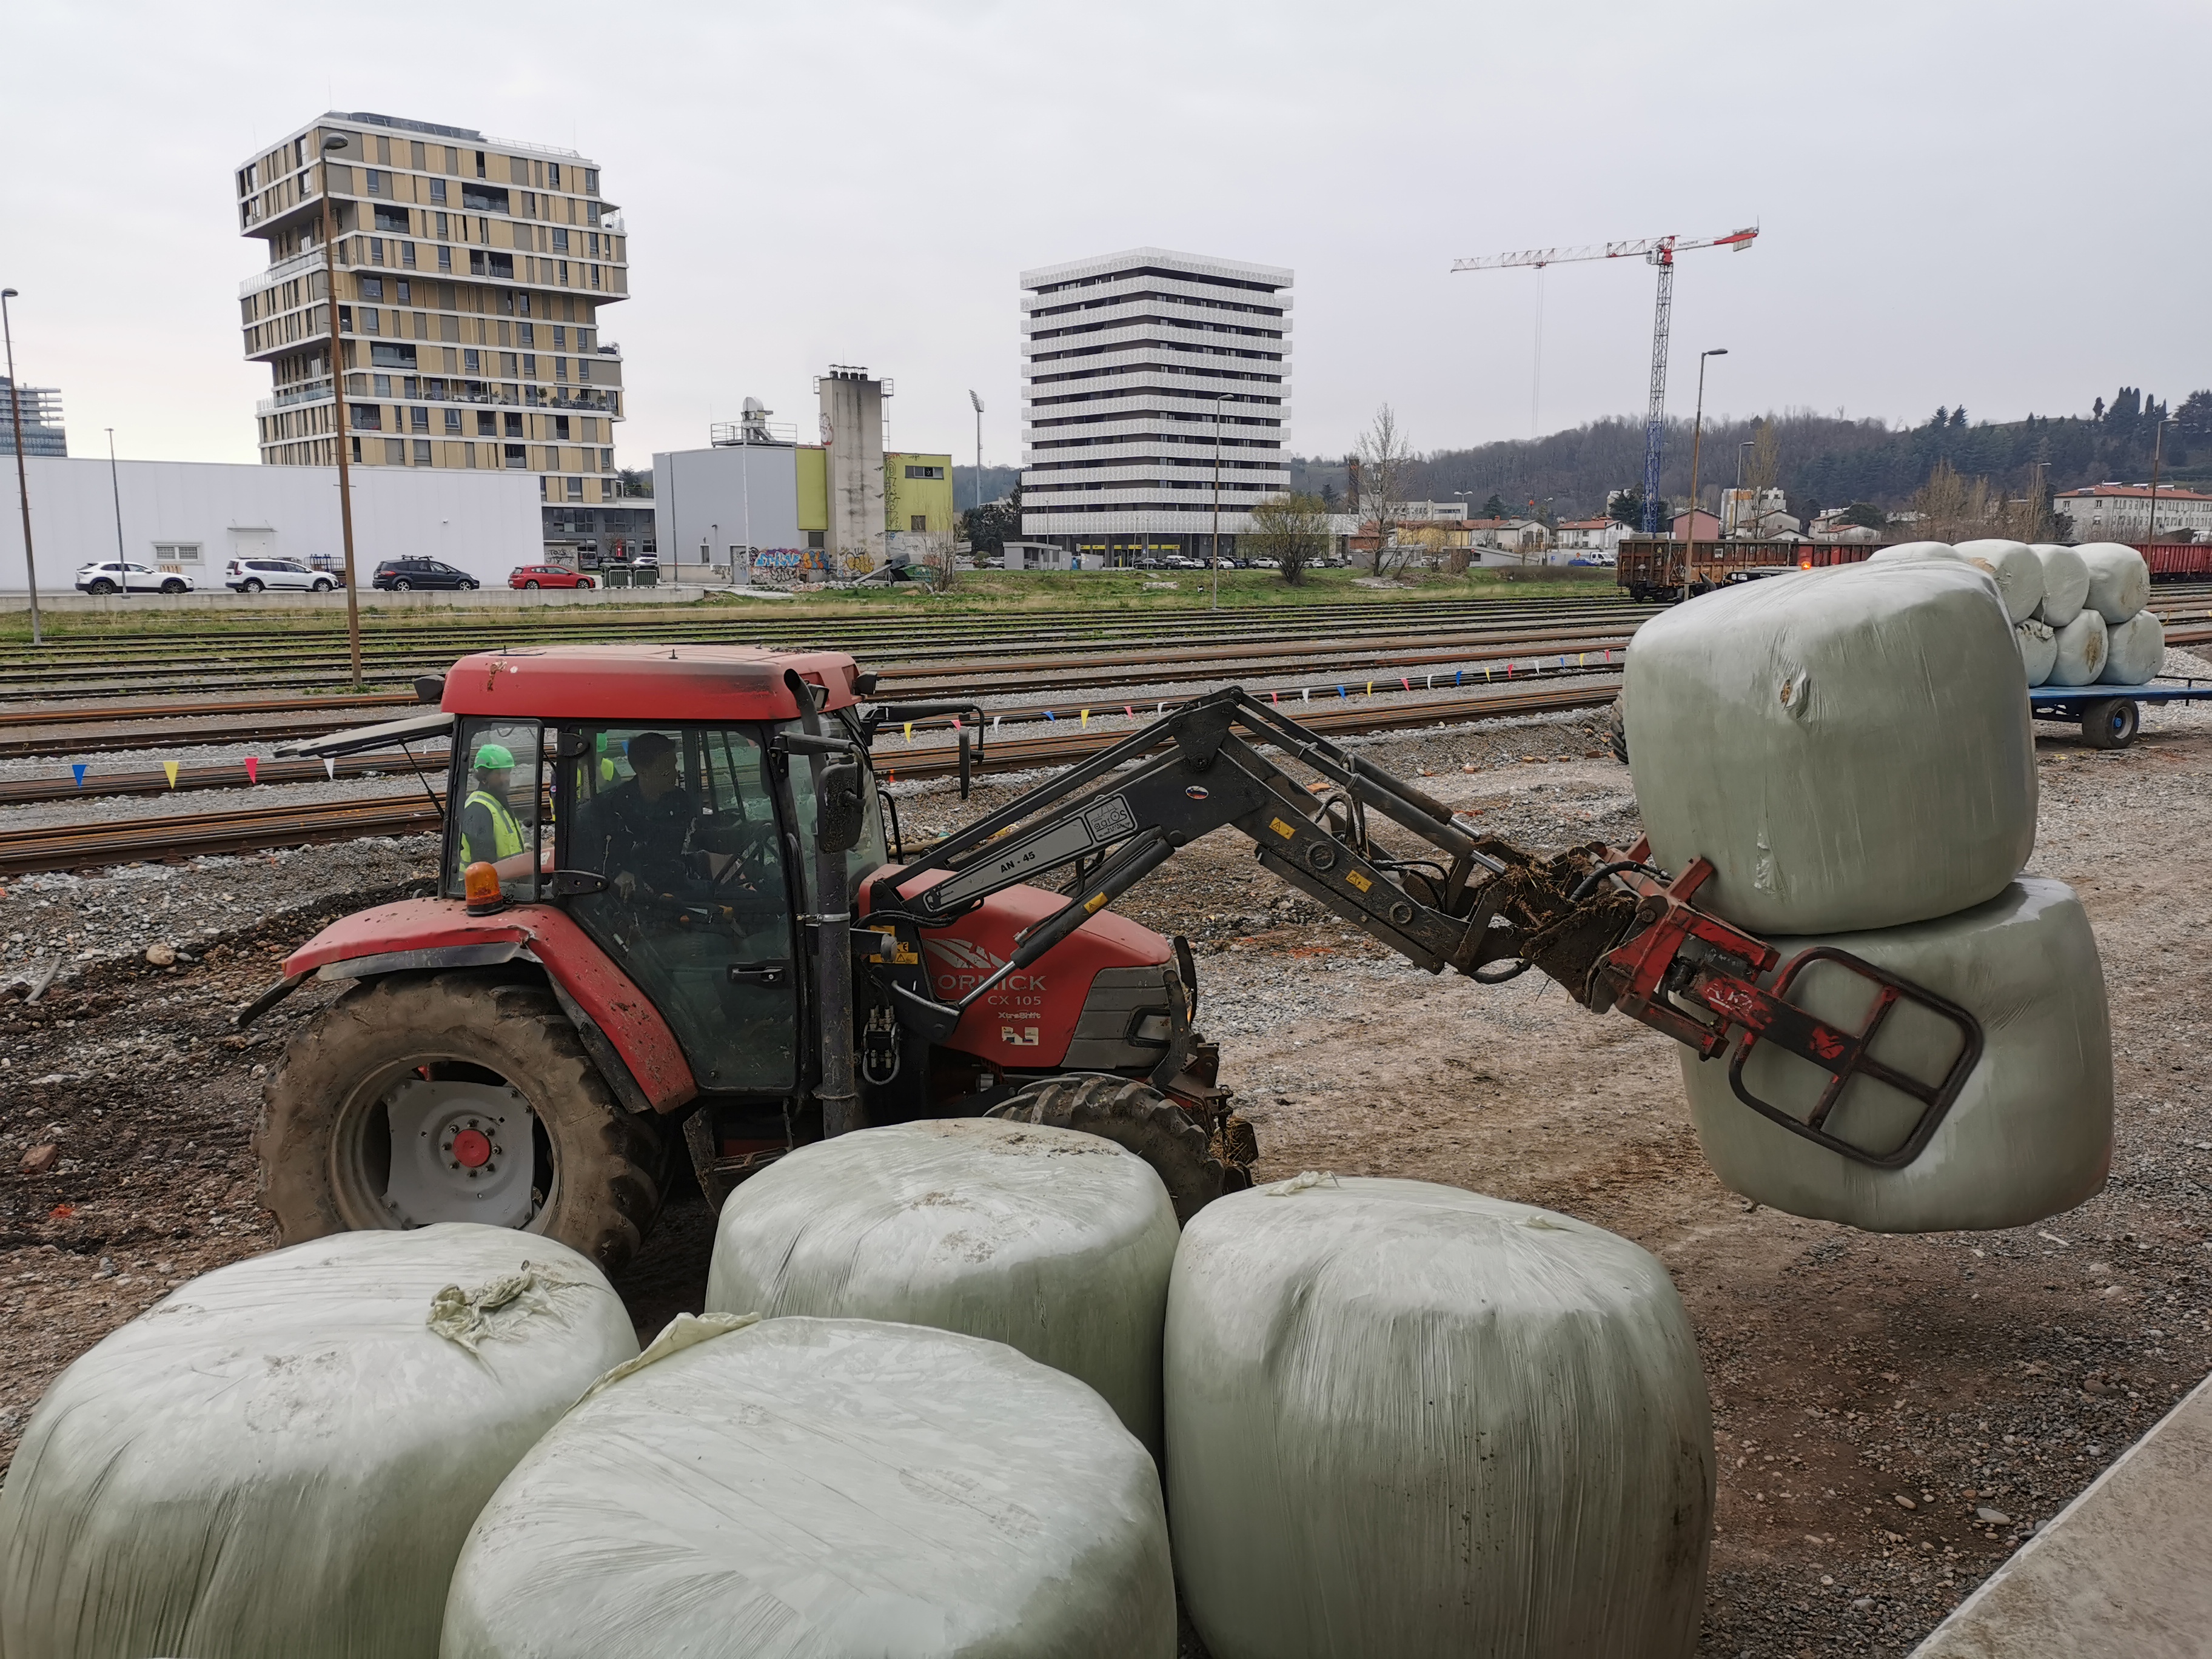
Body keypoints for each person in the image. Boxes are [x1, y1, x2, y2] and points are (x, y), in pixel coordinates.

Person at [574, 731, 695, 899]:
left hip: (677, 888)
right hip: (630, 902)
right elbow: (582, 858)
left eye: (674, 766)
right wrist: (616, 873)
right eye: (667, 769)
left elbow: (695, 838)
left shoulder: (681, 801)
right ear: (643, 772)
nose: (675, 774)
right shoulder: (605, 810)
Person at [460, 743, 528, 869]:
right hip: (489, 885)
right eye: (500, 773)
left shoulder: (497, 801)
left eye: (508, 772)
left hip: (509, 881)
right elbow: (483, 863)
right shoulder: (478, 809)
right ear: (484, 777)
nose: (507, 778)